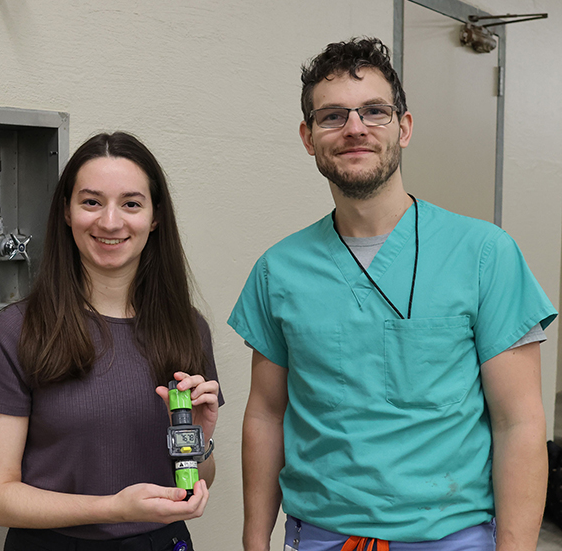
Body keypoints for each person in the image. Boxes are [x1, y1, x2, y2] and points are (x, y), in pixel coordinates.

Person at [229, 37, 557, 551]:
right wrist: (254, 542)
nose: (355, 128)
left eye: (374, 112)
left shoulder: (485, 254)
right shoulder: (279, 270)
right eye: (332, 116)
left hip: (451, 538)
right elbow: (266, 414)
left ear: (403, 128)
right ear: (308, 137)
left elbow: (519, 422)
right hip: (319, 538)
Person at [0, 131, 223, 550]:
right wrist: (114, 508)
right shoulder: (16, 332)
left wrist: (198, 442)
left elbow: (198, 480)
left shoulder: (187, 328)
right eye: (91, 202)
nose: (110, 221)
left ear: (154, 218)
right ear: (67, 213)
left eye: (131, 204)